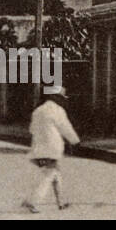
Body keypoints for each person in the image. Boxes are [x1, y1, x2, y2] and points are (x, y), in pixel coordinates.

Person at [21, 85, 79, 213]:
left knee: (55, 173)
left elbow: (31, 129)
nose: (63, 100)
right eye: (62, 97)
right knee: (48, 175)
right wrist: (75, 141)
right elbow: (65, 128)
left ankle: (61, 202)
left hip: (38, 148)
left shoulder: (37, 111)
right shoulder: (58, 110)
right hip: (52, 148)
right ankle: (32, 202)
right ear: (56, 97)